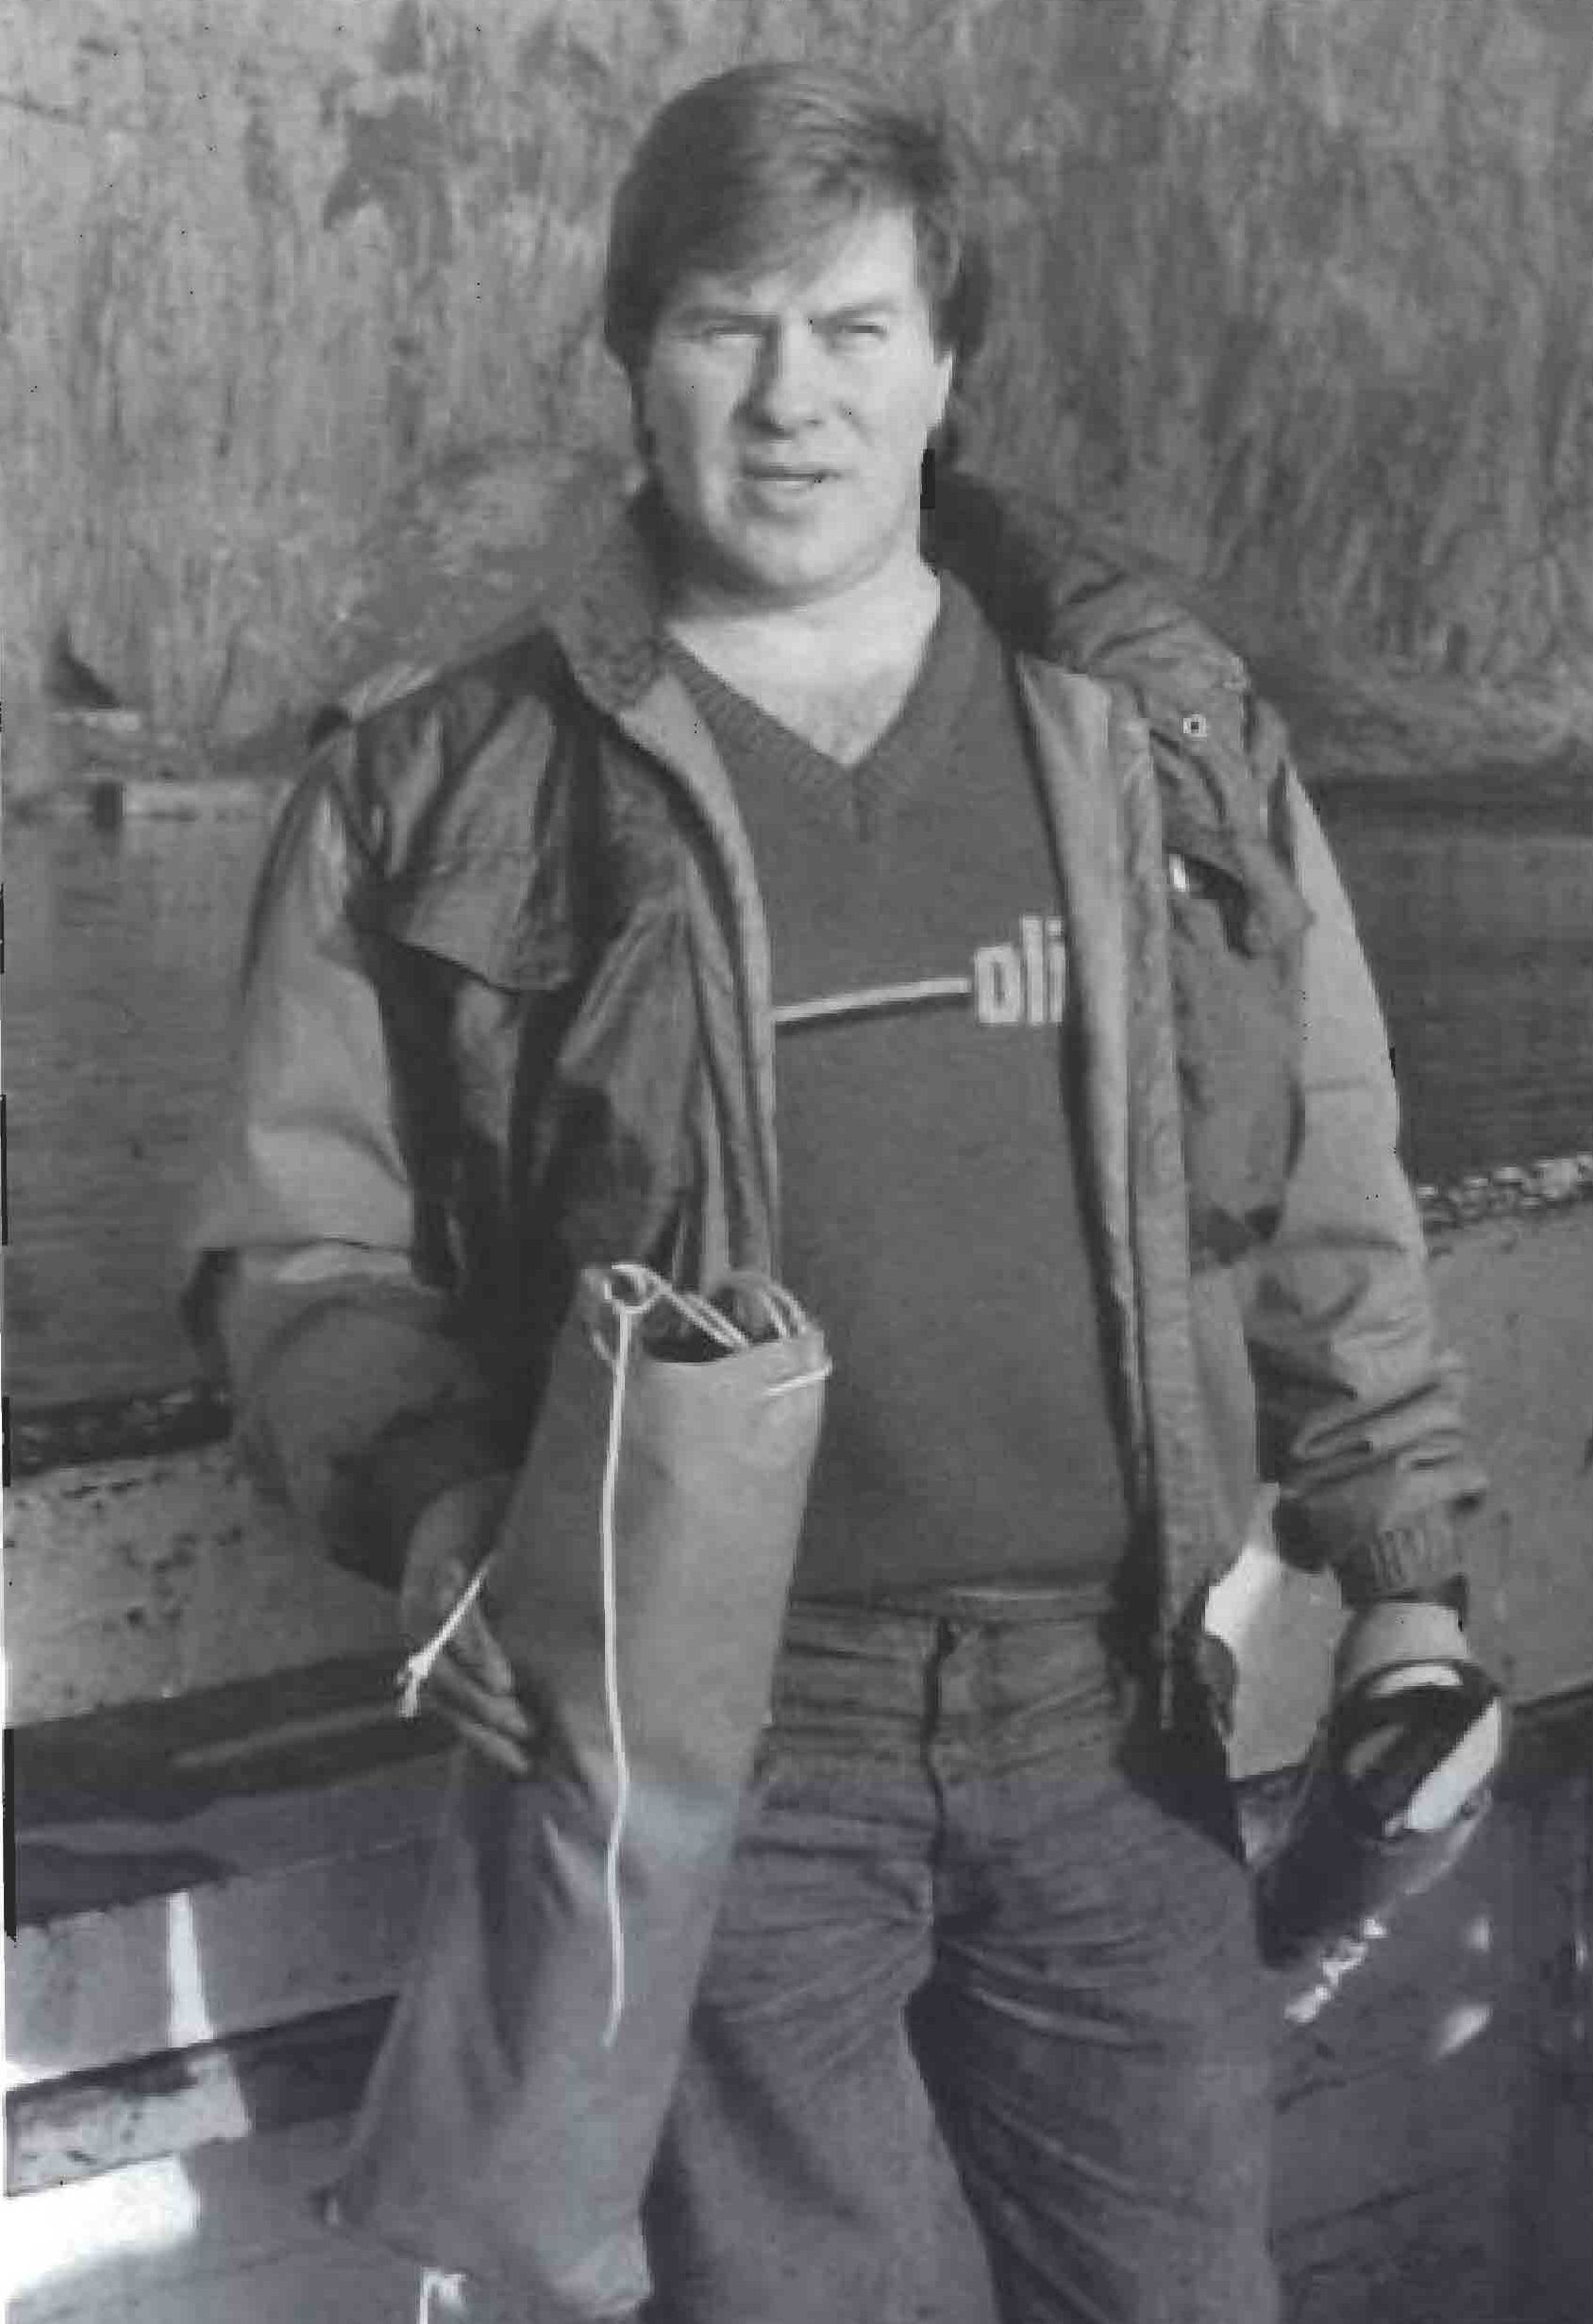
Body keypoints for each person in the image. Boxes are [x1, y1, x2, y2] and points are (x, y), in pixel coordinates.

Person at [186, 61, 1493, 2324]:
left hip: (1119, 1731)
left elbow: (1324, 1178)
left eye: (854, 328)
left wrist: (1403, 1581)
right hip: (713, 1745)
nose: (792, 397)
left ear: (945, 364)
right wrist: (435, 1501)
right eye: (728, 325)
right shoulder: (435, 784)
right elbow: (300, 1244)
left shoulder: (1158, 736)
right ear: (634, 357)